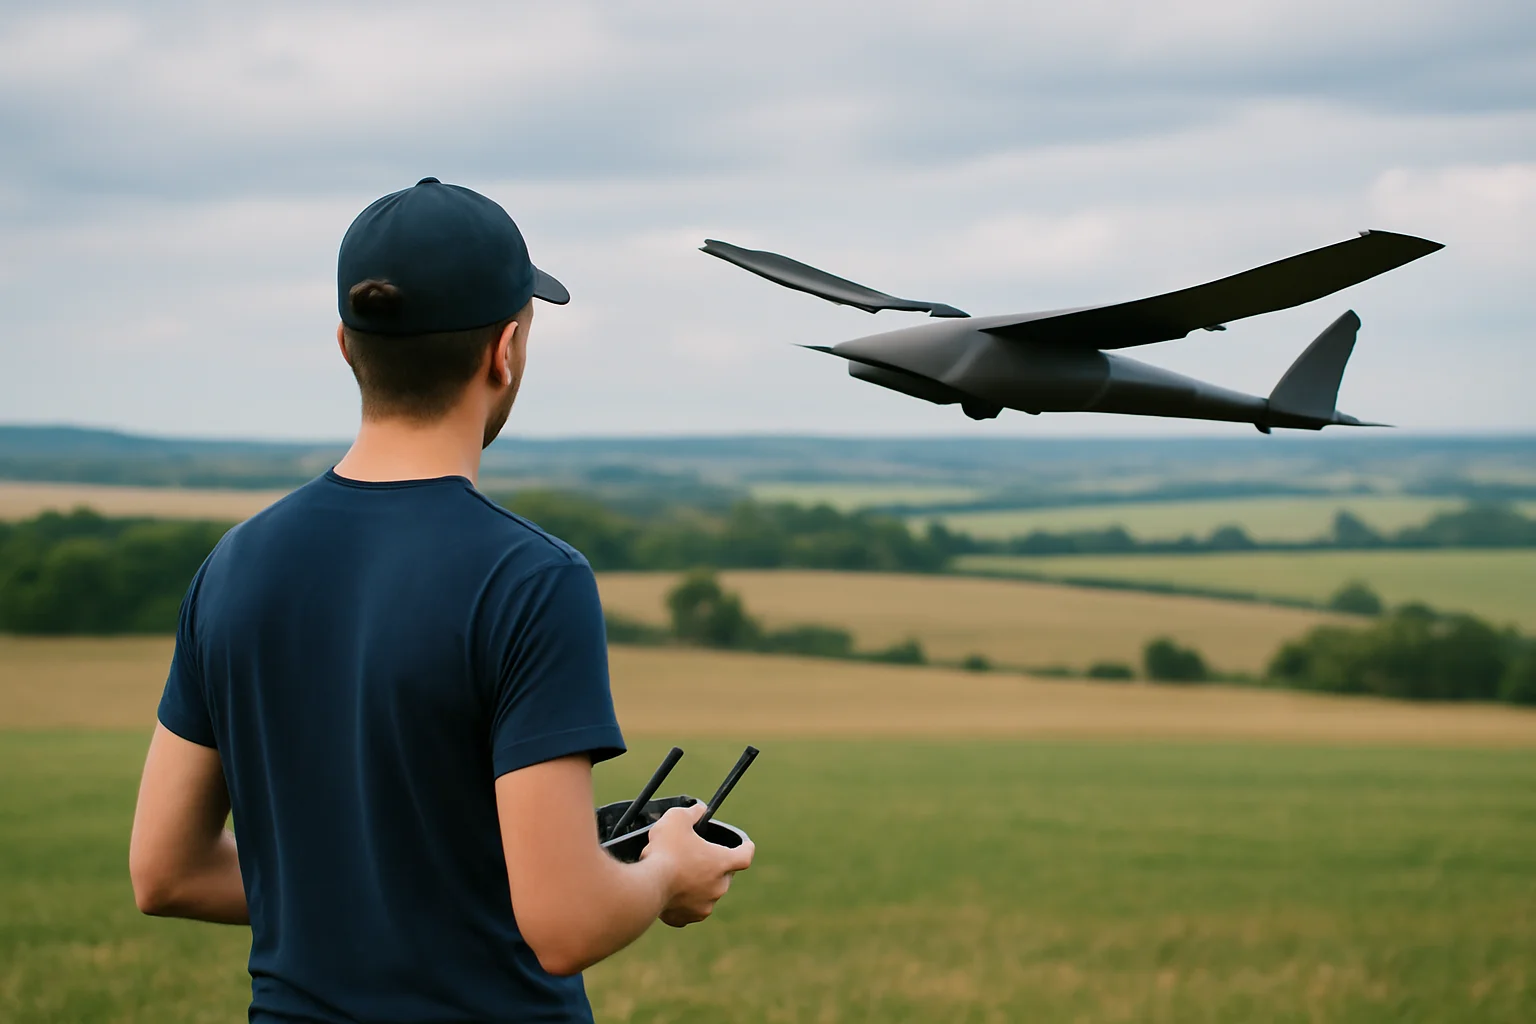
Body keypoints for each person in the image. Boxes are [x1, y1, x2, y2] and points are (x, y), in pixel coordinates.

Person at [128, 177, 754, 1022]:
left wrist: (380, 892)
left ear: (348, 348)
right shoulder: (533, 580)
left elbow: (165, 872)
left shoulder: (233, 566)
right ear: (505, 352)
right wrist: (665, 872)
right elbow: (565, 924)